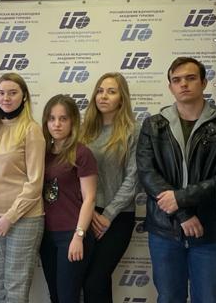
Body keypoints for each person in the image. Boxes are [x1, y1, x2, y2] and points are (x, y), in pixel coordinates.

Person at [136, 57, 216, 303]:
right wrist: (183, 214)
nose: (183, 84)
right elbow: (147, 173)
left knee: (208, 298)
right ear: (170, 86)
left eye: (190, 78)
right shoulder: (153, 125)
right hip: (165, 230)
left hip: (210, 230)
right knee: (169, 297)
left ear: (203, 83)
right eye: (177, 80)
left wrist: (180, 199)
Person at [0, 73, 45, 303]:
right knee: (1, 287)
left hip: (23, 219)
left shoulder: (31, 130)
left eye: (12, 93)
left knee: (16, 289)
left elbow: (35, 183)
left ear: (24, 97)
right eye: (1, 93)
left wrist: (10, 216)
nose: (6, 98)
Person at [79, 72, 141, 303]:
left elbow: (134, 178)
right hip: (87, 213)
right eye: (100, 91)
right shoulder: (83, 131)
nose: (103, 96)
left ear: (122, 98)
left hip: (118, 218)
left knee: (96, 280)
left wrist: (108, 214)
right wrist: (90, 210)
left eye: (111, 92)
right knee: (89, 281)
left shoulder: (133, 131)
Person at [39, 95, 96, 303]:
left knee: (68, 297)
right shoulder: (42, 152)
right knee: (55, 296)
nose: (57, 124)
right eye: (52, 118)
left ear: (73, 121)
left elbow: (90, 198)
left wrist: (78, 236)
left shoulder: (82, 153)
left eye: (63, 119)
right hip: (46, 235)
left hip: (71, 235)